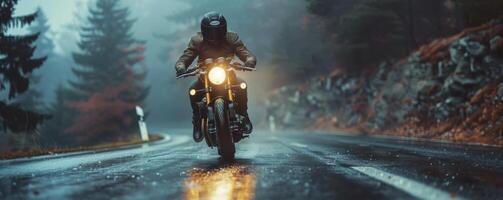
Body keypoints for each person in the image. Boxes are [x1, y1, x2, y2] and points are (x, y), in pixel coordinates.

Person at [175, 11, 257, 141]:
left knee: (242, 86)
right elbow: (186, 56)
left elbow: (245, 52)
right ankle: (197, 122)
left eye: (218, 31)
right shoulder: (197, 40)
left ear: (224, 29)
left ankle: (243, 114)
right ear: (204, 31)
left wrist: (249, 61)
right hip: (205, 77)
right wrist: (181, 67)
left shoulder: (232, 38)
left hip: (228, 75)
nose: (215, 35)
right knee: (193, 91)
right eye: (211, 31)